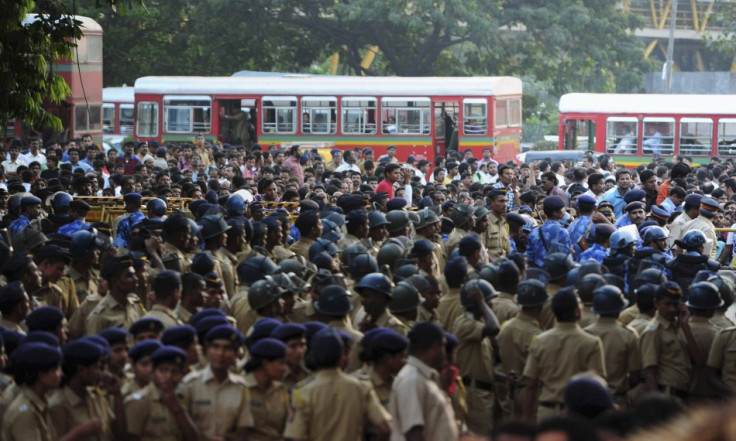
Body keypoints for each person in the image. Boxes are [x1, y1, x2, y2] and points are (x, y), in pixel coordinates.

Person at [283, 328, 391, 441]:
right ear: (341, 357)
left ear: (313, 357)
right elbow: (385, 428)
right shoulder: (362, 387)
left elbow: (296, 437)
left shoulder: (302, 392)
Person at [522, 289, 606, 421]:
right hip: (578, 415)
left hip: (547, 413)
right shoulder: (592, 342)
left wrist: (526, 419)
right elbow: (596, 383)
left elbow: (531, 385)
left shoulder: (540, 340)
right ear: (577, 312)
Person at [180, 325, 252, 441]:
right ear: (207, 350)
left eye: (227, 348)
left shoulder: (241, 387)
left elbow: (243, 431)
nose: (220, 353)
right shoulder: (190, 384)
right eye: (216, 347)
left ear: (235, 354)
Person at [389, 321, 458, 441]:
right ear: (435, 346)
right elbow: (413, 433)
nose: (445, 353)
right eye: (443, 346)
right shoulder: (411, 379)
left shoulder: (427, 376)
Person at [49, 338, 127, 441]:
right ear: (82, 369)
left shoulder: (94, 396)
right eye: (96, 367)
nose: (100, 373)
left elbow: (120, 434)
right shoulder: (58, 405)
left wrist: (117, 395)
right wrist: (80, 433)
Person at [451, 279, 500, 435]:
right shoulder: (465, 324)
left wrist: (500, 377)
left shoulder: (477, 324)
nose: (490, 305)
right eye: (488, 302)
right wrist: (481, 302)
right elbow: (495, 327)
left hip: (482, 391)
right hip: (474, 394)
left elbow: (479, 363)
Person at [640, 282, 701, 400]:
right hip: (666, 394)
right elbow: (650, 374)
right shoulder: (653, 332)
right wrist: (657, 405)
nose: (672, 309)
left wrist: (685, 325)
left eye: (676, 304)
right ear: (656, 303)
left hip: (683, 393)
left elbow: (698, 360)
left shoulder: (680, 326)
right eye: (667, 304)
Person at [124, 346, 200, 441]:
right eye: (163, 370)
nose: (168, 377)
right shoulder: (140, 401)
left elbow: (193, 438)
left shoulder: (181, 397)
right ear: (153, 372)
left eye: (175, 372)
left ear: (181, 375)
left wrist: (177, 408)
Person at [242, 337, 290, 440]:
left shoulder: (281, 391)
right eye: (281, 363)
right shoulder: (241, 388)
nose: (286, 369)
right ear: (265, 364)